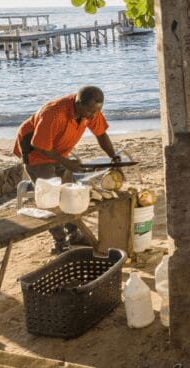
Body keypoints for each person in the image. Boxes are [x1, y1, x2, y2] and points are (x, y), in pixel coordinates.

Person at [13, 86, 120, 253]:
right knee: (50, 197)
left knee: (69, 195)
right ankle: (60, 241)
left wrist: (114, 156)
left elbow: (101, 134)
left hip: (58, 151)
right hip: (36, 152)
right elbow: (39, 145)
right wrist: (67, 163)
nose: (93, 116)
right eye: (90, 112)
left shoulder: (91, 110)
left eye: (96, 112)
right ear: (78, 103)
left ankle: (74, 234)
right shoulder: (54, 113)